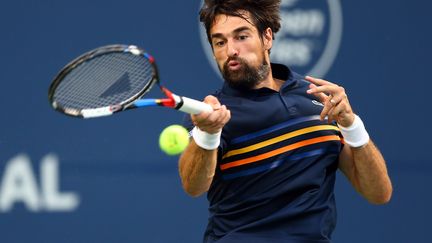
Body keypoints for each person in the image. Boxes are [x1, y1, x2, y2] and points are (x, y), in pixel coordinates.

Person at [178, 0, 392, 242]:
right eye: (220, 42)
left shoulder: (317, 97)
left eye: (241, 36)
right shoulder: (211, 113)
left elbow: (379, 193)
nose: (230, 51)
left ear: (267, 37)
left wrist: (352, 125)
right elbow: (193, 186)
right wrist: (208, 133)